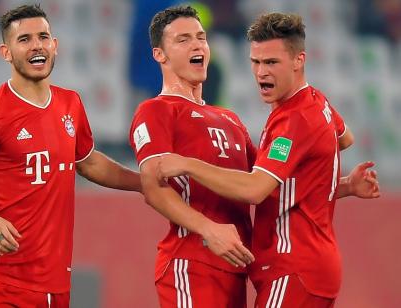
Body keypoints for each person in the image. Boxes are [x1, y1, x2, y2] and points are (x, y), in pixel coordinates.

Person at [156, 13, 380, 307]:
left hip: (293, 267)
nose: (261, 72)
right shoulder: (316, 101)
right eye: (255, 62)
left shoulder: (293, 120)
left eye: (271, 62)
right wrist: (345, 185)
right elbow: (343, 138)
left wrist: (187, 164)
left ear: (299, 60)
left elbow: (254, 189)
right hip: (312, 267)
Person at [0, 4, 140, 307]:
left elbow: (87, 162)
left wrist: (143, 183)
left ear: (55, 45)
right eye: (24, 39)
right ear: (6, 52)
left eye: (43, 37)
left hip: (55, 286)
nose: (37, 45)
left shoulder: (70, 103)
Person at [128, 6, 255, 308]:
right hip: (191, 262)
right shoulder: (156, 110)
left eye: (201, 37)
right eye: (183, 40)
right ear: (160, 54)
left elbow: (263, 183)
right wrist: (209, 229)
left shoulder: (231, 119)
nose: (197, 45)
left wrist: (341, 185)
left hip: (235, 267)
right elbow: (152, 185)